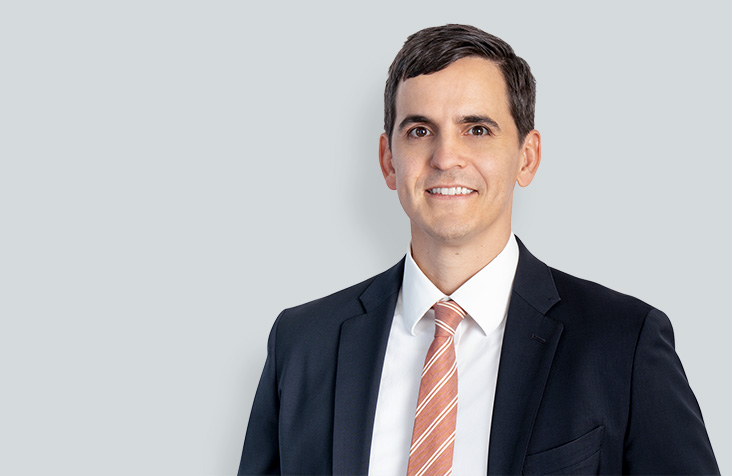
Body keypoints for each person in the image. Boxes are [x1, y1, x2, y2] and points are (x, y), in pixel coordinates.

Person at [238, 24, 719, 475]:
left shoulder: (623, 343)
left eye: (478, 130)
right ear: (388, 161)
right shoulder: (302, 344)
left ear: (526, 158)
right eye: (420, 131)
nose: (446, 157)